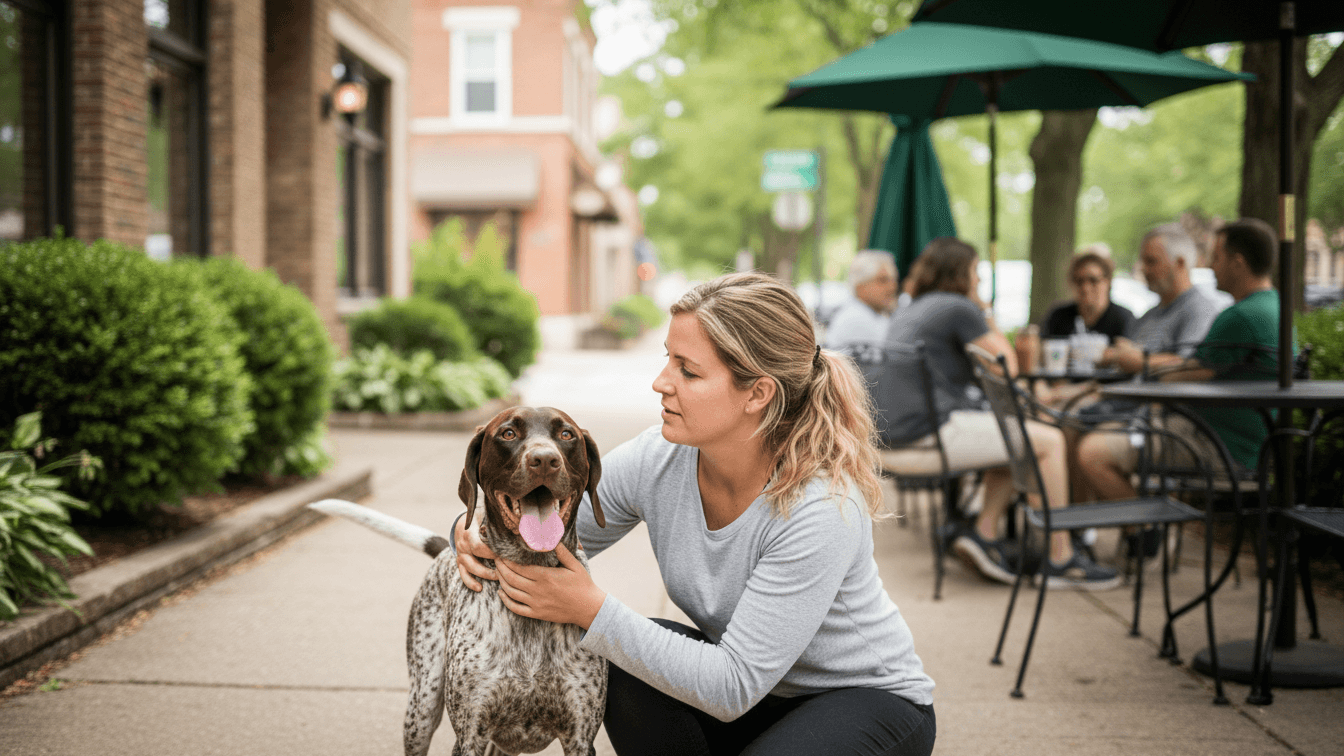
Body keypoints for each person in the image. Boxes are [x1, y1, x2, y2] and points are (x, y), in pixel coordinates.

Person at [453, 272, 937, 756]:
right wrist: (474, 534)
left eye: (688, 370)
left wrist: (589, 607)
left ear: (757, 393)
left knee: (608, 630)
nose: (661, 382)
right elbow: (543, 533)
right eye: (668, 359)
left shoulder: (821, 507)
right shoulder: (660, 458)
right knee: (620, 657)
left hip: (861, 701)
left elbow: (732, 684)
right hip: (747, 700)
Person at [882, 237, 1120, 591]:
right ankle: (1060, 559)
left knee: (1015, 439)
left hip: (890, 436)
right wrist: (985, 313)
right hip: (927, 433)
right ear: (961, 273)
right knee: (1049, 440)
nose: (979, 279)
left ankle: (985, 533)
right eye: (976, 270)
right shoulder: (959, 307)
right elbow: (1005, 365)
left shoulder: (911, 308)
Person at [1078, 218, 1282, 501]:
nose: (1209, 266)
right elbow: (1192, 369)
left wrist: (1141, 362)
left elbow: (1188, 373)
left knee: (1092, 451)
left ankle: (1142, 529)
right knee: (1077, 425)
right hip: (1244, 445)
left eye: (1216, 257)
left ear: (1238, 262)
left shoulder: (1241, 316)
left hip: (1220, 446)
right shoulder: (1273, 307)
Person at [1098, 224, 1221, 377]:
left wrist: (1140, 361)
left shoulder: (1201, 311)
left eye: (1151, 261)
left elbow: (1192, 366)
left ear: (1180, 263)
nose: (1144, 269)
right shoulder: (1148, 315)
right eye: (1143, 261)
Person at [1041, 245, 1137, 342]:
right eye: (1079, 281)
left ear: (1108, 281)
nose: (1085, 288)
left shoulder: (1124, 319)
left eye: (1093, 280)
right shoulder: (1058, 317)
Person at [823, 249, 898, 349]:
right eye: (882, 280)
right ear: (860, 285)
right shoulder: (855, 317)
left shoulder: (873, 314)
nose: (892, 287)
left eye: (894, 280)